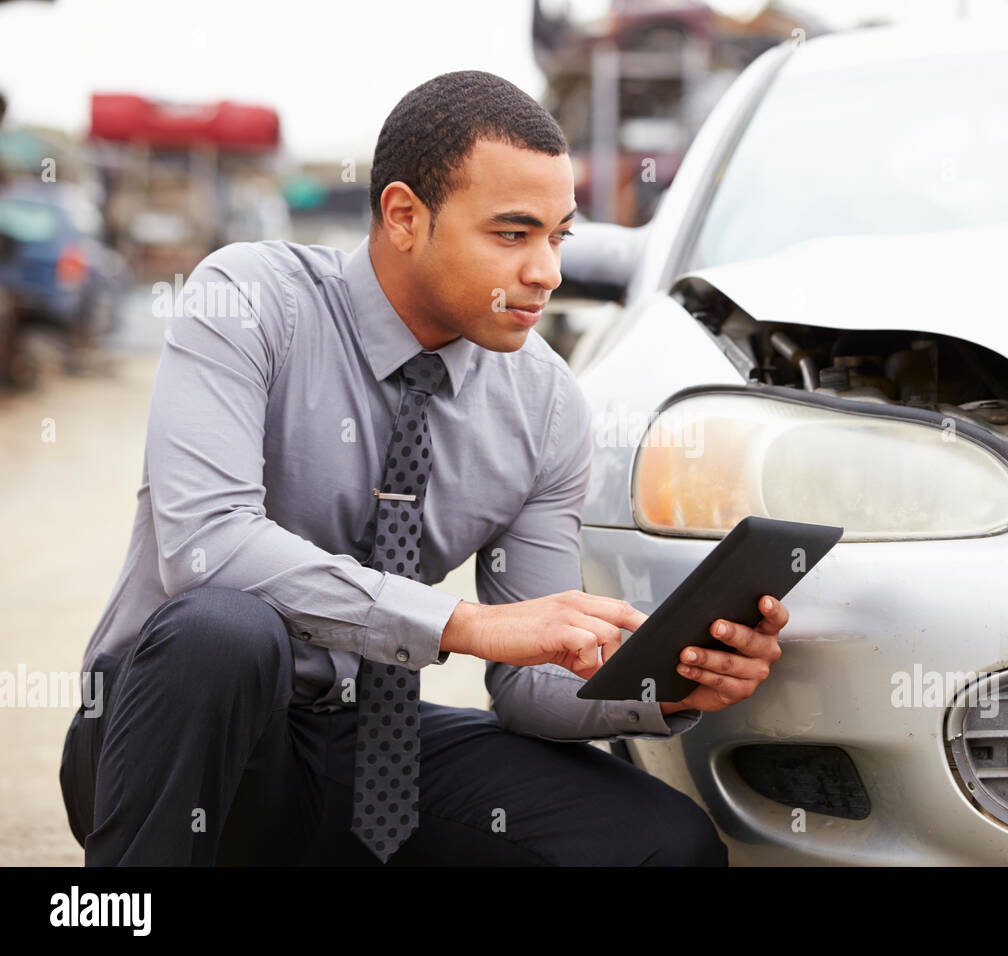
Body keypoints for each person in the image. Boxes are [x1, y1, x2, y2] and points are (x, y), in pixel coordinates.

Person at [58, 70, 789, 867]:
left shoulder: (544, 406)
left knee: (659, 843)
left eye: (558, 237)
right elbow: (207, 545)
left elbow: (529, 691)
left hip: (362, 750)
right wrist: (461, 625)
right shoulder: (248, 301)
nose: (545, 271)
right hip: (176, 743)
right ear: (404, 216)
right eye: (512, 235)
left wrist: (664, 680)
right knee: (224, 630)